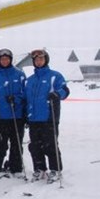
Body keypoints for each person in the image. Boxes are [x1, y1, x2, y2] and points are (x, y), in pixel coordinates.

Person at [25, 49, 70, 184]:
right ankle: (39, 168)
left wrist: (57, 94)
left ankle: (55, 169)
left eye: (41, 59)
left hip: (49, 117)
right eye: (36, 60)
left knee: (50, 145)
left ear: (46, 60)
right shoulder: (30, 80)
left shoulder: (54, 76)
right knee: (35, 146)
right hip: (33, 118)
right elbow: (26, 98)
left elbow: (65, 90)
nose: (38, 62)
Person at [0, 49, 27, 178]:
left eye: (7, 59)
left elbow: (25, 93)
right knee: (1, 143)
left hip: (17, 115)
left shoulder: (19, 75)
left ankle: (16, 166)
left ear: (10, 59)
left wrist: (16, 99)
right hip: (2, 116)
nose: (5, 61)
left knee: (16, 142)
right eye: (2, 59)